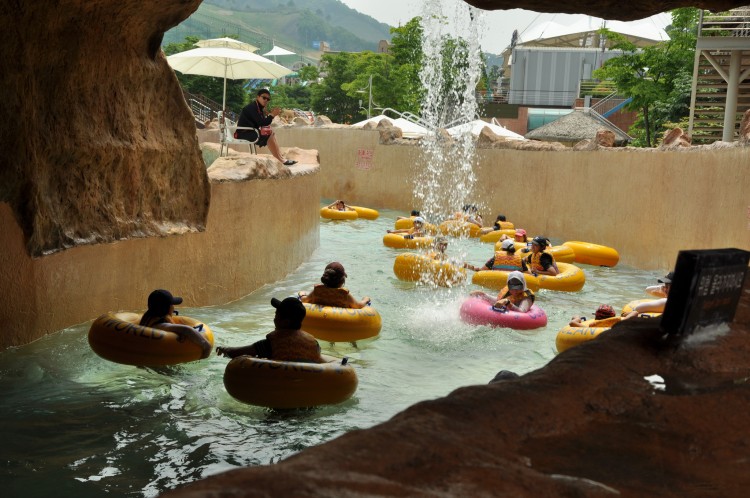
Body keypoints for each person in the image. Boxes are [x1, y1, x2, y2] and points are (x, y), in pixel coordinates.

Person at [216, 297, 324, 363]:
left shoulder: (271, 344)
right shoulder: (314, 344)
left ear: (285, 322)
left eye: (277, 314)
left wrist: (224, 349)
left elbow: (237, 353)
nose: (274, 317)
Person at [139, 289, 212, 359]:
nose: (174, 308)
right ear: (167, 308)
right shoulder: (159, 326)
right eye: (172, 305)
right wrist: (206, 346)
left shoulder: (147, 319)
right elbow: (187, 330)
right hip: (160, 360)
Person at [236, 88, 297, 166]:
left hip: (250, 131)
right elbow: (262, 123)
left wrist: (269, 115)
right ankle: (281, 160)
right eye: (264, 97)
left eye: (268, 99)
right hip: (243, 133)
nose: (266, 100)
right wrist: (272, 115)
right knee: (269, 135)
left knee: (271, 133)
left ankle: (281, 158)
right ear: (257, 97)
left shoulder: (258, 107)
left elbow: (262, 122)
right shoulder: (252, 107)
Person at [299, 262, 371, 309]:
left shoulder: (317, 290)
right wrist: (366, 299)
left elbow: (305, 300)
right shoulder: (344, 295)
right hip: (339, 323)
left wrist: (302, 294)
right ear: (342, 281)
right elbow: (358, 306)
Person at [470, 271, 535, 313]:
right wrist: (484, 295)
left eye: (518, 287)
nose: (515, 290)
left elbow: (521, 312)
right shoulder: (508, 292)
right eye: (512, 287)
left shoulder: (527, 297)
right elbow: (498, 300)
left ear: (523, 285)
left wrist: (507, 303)